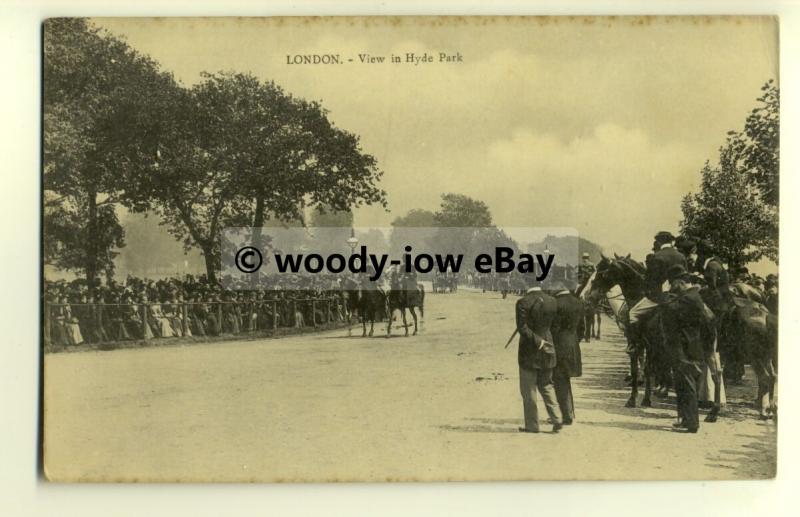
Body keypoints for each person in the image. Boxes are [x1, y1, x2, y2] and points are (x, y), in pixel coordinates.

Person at [661, 264, 716, 433]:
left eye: (673, 284)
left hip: (685, 347)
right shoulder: (691, 296)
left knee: (687, 385)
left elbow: (669, 311)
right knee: (683, 384)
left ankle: (692, 423)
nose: (671, 287)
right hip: (690, 345)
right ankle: (686, 420)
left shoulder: (689, 298)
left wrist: (664, 295)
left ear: (681, 282)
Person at [515, 284, 562, 433]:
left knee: (529, 390)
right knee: (547, 385)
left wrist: (538, 342)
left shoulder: (522, 302)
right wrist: (546, 340)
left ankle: (532, 425)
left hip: (529, 351)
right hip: (549, 348)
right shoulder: (552, 301)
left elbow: (522, 328)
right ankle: (557, 419)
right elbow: (555, 325)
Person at [628, 231, 687, 335]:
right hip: (680, 296)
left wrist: (647, 291)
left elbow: (651, 281)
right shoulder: (681, 256)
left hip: (660, 298)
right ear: (671, 241)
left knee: (633, 314)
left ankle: (635, 345)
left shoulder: (657, 256)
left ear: (659, 242)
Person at [550, 281, 584, 425]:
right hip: (573, 345)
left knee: (559, 380)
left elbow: (554, 329)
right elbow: (582, 329)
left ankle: (566, 416)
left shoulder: (556, 304)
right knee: (565, 379)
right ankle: (570, 411)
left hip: (559, 346)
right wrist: (574, 341)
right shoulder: (578, 303)